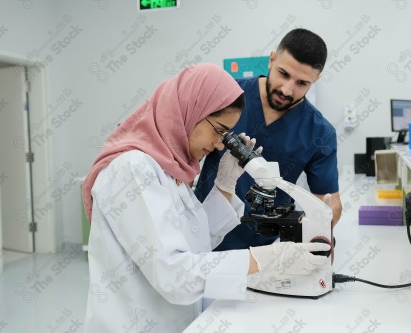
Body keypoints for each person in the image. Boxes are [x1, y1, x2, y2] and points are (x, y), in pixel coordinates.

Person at [81, 63, 329, 333]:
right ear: (190, 110)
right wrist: (268, 258)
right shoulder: (132, 169)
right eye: (219, 131)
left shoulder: (170, 168)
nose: (220, 144)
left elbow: (195, 242)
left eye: (226, 136)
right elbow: (175, 276)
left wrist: (225, 183)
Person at [195, 28, 342, 251]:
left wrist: (316, 228)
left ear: (316, 80)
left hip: (263, 249)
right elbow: (181, 161)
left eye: (302, 83)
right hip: (203, 234)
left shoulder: (319, 133)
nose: (287, 89)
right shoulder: (227, 96)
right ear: (272, 59)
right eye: (283, 74)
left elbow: (329, 200)